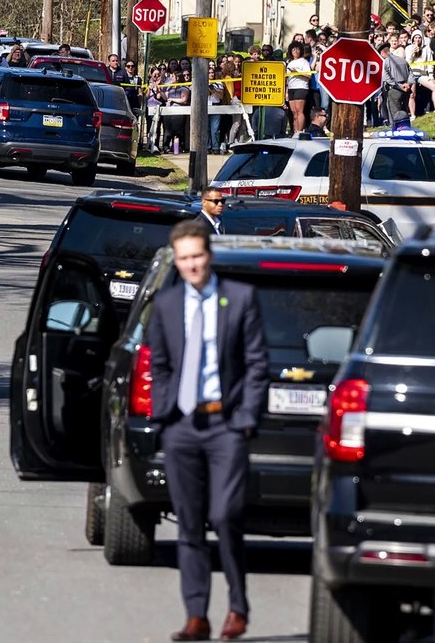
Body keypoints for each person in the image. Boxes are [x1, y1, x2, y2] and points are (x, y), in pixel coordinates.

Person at [147, 219, 268, 643]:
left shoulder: (239, 299)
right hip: (181, 425)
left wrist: (247, 417)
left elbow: (257, 365)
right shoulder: (166, 305)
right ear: (176, 263)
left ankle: (238, 605)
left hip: (226, 425)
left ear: (209, 256)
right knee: (189, 523)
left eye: (197, 256)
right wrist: (163, 412)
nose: (192, 265)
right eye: (184, 259)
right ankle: (196, 615)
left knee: (225, 515)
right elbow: (158, 364)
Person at [378, 41, 414, 127]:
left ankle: (396, 130)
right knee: (404, 111)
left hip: (394, 90)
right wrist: (408, 84)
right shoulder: (403, 60)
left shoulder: (385, 62)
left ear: (382, 53)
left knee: (395, 114)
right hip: (406, 90)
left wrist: (400, 86)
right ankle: (406, 129)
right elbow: (411, 74)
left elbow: (386, 78)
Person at [285, 41, 311, 133]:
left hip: (301, 87)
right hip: (291, 88)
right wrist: (286, 92)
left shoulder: (304, 62)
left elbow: (309, 75)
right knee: (294, 112)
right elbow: (287, 78)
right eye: (293, 49)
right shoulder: (290, 63)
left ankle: (300, 131)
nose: (295, 51)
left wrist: (297, 73)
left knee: (300, 111)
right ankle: (295, 131)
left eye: (297, 49)